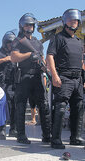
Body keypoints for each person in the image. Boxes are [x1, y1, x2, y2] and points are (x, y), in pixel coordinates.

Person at [46, 9, 85, 149]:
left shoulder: (79, 42)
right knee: (60, 107)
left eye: (75, 20)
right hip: (63, 77)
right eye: (70, 20)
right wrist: (55, 75)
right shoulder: (58, 38)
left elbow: (81, 61)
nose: (73, 22)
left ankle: (75, 137)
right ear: (64, 22)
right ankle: (55, 139)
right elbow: (50, 56)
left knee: (79, 107)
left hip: (77, 79)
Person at [11, 13, 51, 144]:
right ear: (22, 26)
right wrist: (29, 55)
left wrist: (45, 69)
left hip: (37, 76)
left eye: (31, 25)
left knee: (44, 105)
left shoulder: (38, 43)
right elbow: (14, 57)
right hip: (24, 75)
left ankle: (46, 135)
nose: (29, 27)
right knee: (21, 106)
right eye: (27, 25)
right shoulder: (18, 40)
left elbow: (42, 58)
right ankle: (21, 135)